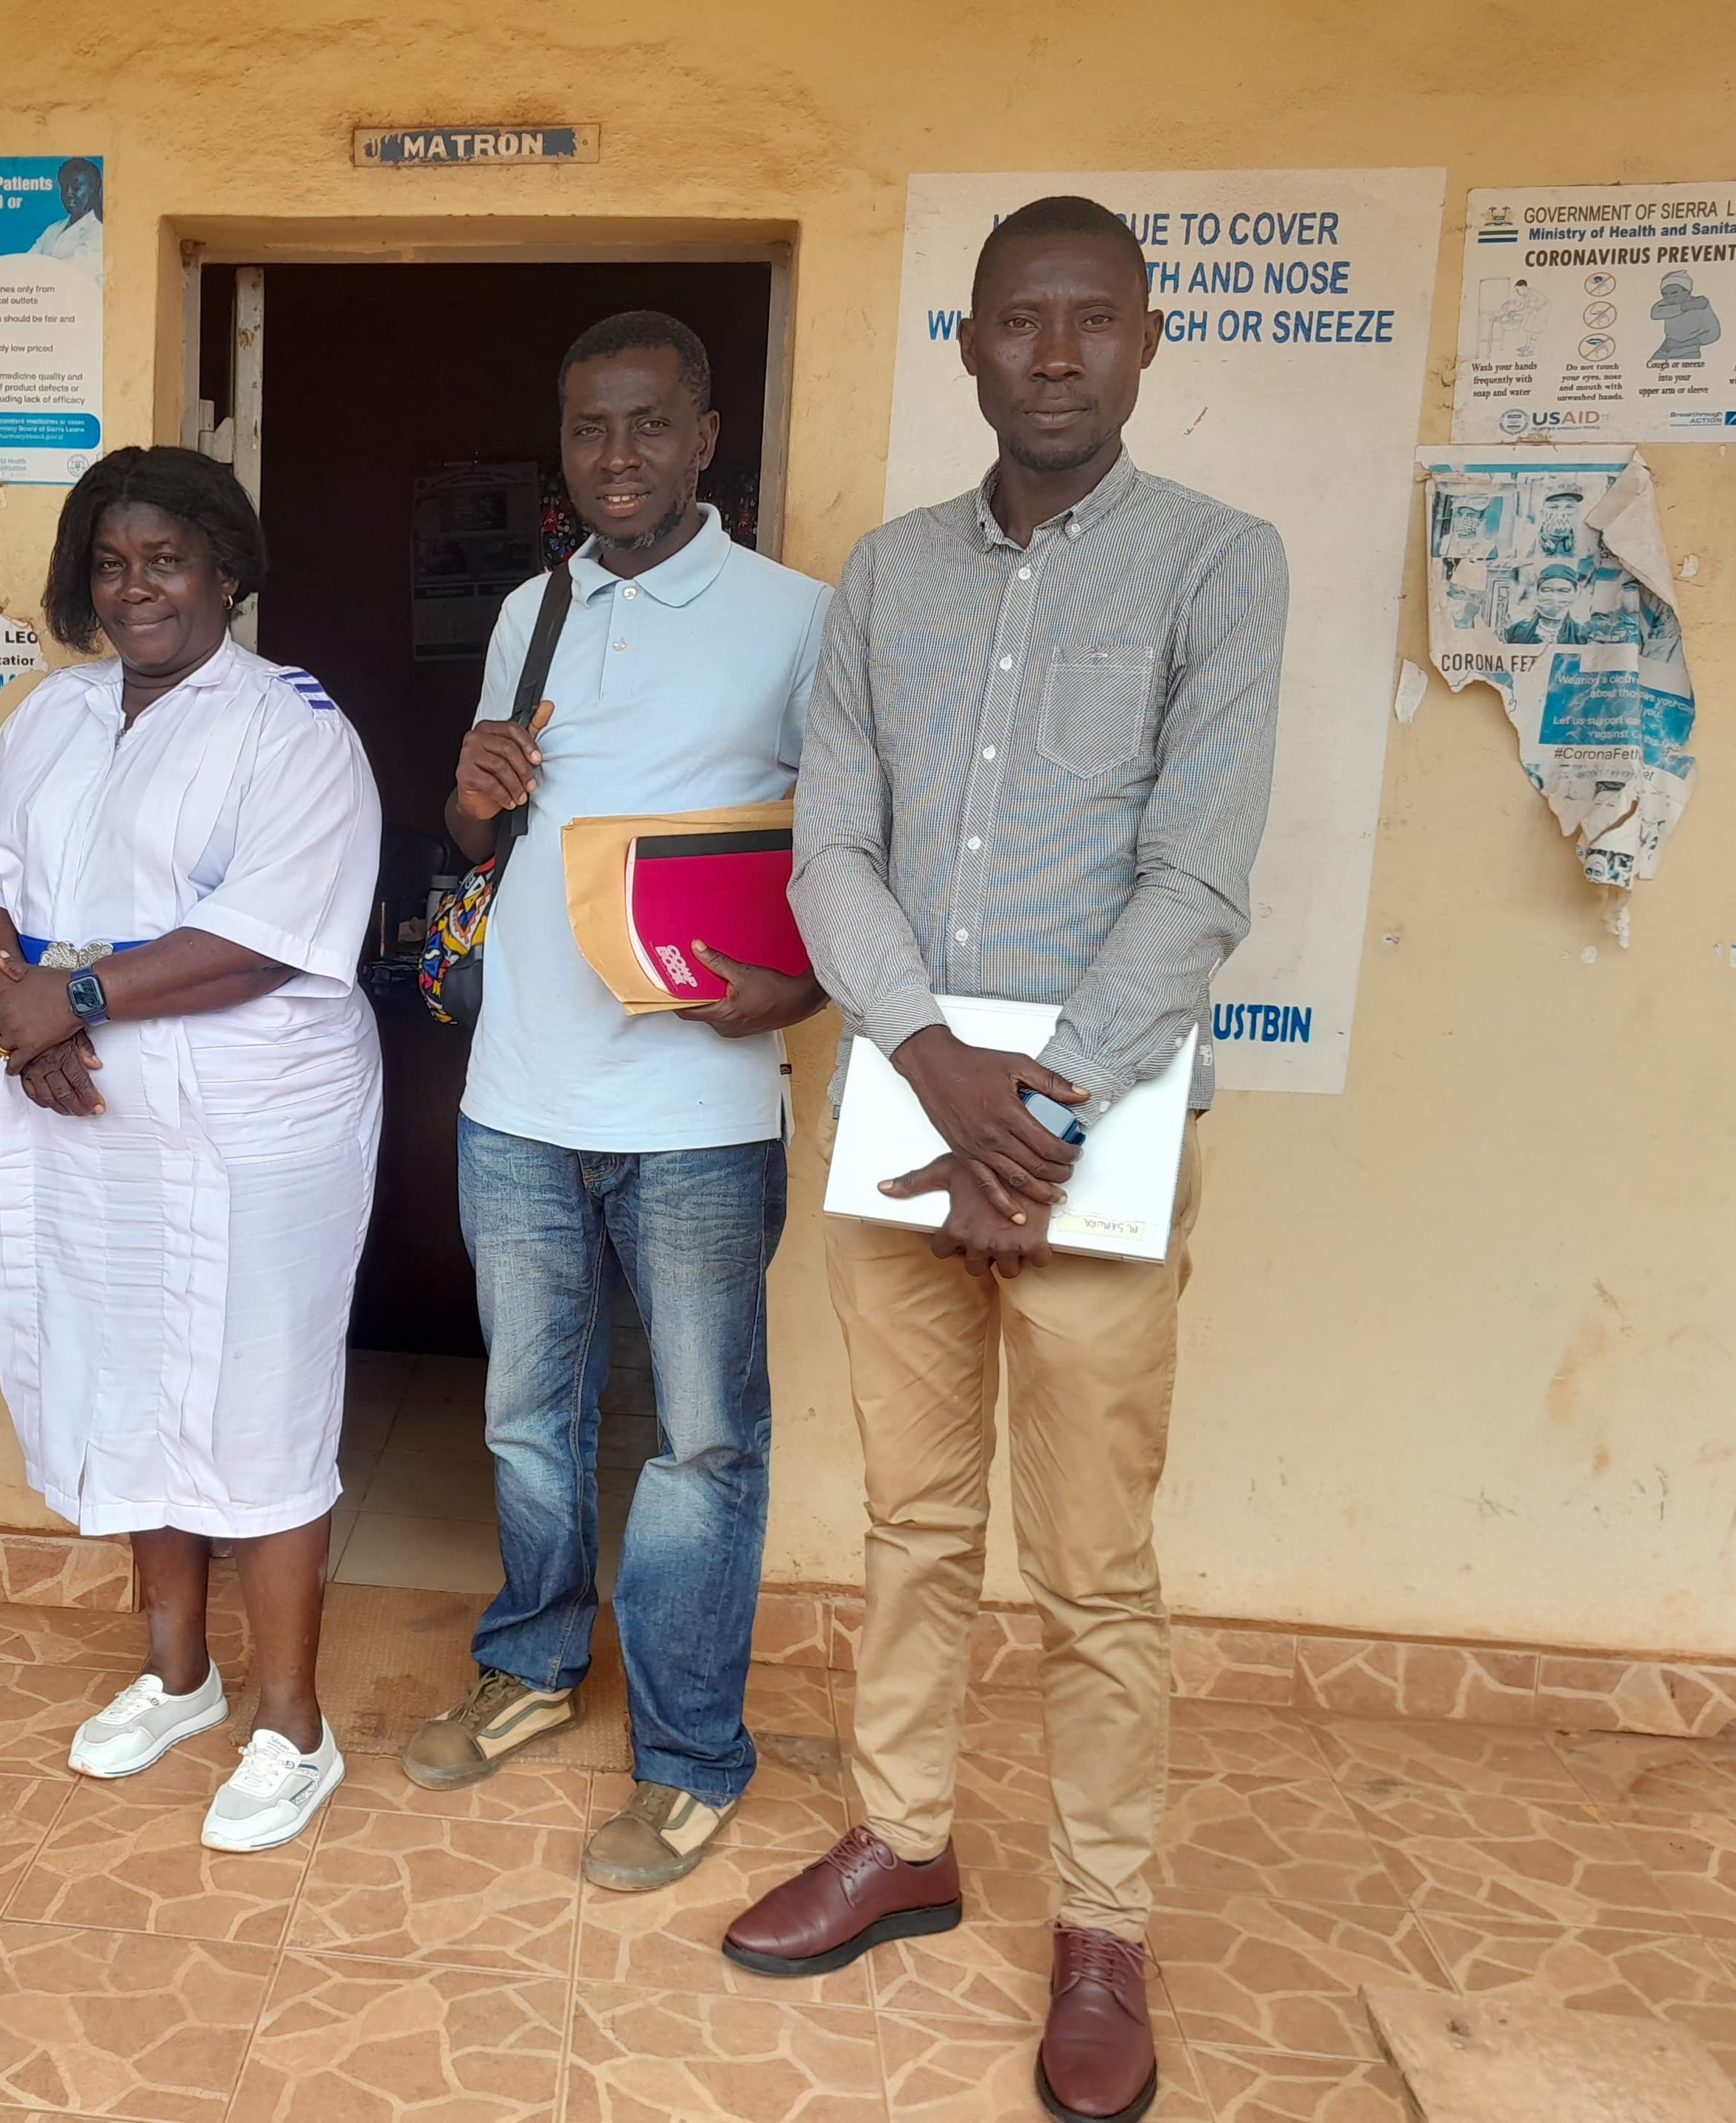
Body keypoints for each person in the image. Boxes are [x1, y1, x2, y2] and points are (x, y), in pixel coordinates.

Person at [733, 198, 1286, 2123]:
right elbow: (832, 854)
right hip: (911, 1116)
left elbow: (1200, 873)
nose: (1055, 354)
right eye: (1019, 324)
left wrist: (1042, 1108)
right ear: (965, 347)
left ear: (1146, 345)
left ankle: (1106, 1930)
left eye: (1092, 322)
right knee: (910, 1521)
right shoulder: (886, 581)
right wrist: (935, 1065)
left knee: (1096, 1569)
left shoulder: (1223, 568)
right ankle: (902, 1837)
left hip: (1099, 1145)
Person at [401, 310, 830, 1894]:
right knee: (527, 1412)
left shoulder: (801, 620)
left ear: (706, 437)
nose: (620, 459)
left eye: (650, 427)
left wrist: (805, 991)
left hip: (702, 1106)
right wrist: (469, 791)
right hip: (519, 1093)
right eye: (590, 432)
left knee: (702, 1442)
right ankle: (527, 1664)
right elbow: (479, 839)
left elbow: (856, 838)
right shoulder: (534, 606)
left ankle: (691, 1756)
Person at [0, 445, 381, 1853]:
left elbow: (266, 936)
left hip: (257, 1125)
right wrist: (26, 1011)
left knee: (259, 1399)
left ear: (229, 571)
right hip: (87, 1114)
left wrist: (60, 998)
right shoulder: (52, 716)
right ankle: (179, 1676)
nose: (139, 589)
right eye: (114, 564)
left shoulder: (292, 725)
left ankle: (291, 1725)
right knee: (130, 1371)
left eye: (169, 561)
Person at [29, 158, 104, 280]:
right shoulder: (53, 230)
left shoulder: (99, 233)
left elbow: (67, 274)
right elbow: (26, 263)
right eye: (64, 187)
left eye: (76, 187)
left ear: (94, 188)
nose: (68, 194)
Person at [1502, 561, 1585, 644]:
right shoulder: (1515, 631)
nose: (1554, 597)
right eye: (1547, 590)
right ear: (1538, 593)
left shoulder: (1582, 636)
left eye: (1564, 591)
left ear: (1575, 593)